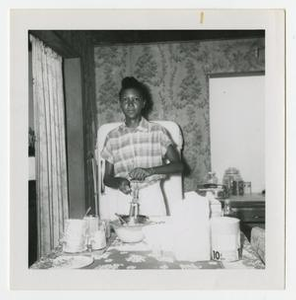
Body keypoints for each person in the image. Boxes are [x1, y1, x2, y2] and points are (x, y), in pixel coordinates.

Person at [101, 76, 184, 217]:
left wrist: (149, 171)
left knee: (156, 237)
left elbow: (179, 166)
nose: (130, 104)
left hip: (152, 196)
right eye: (125, 100)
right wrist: (119, 182)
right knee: (125, 236)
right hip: (124, 198)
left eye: (135, 99)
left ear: (144, 103)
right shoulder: (112, 136)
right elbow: (107, 178)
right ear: (120, 103)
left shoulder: (157, 131)